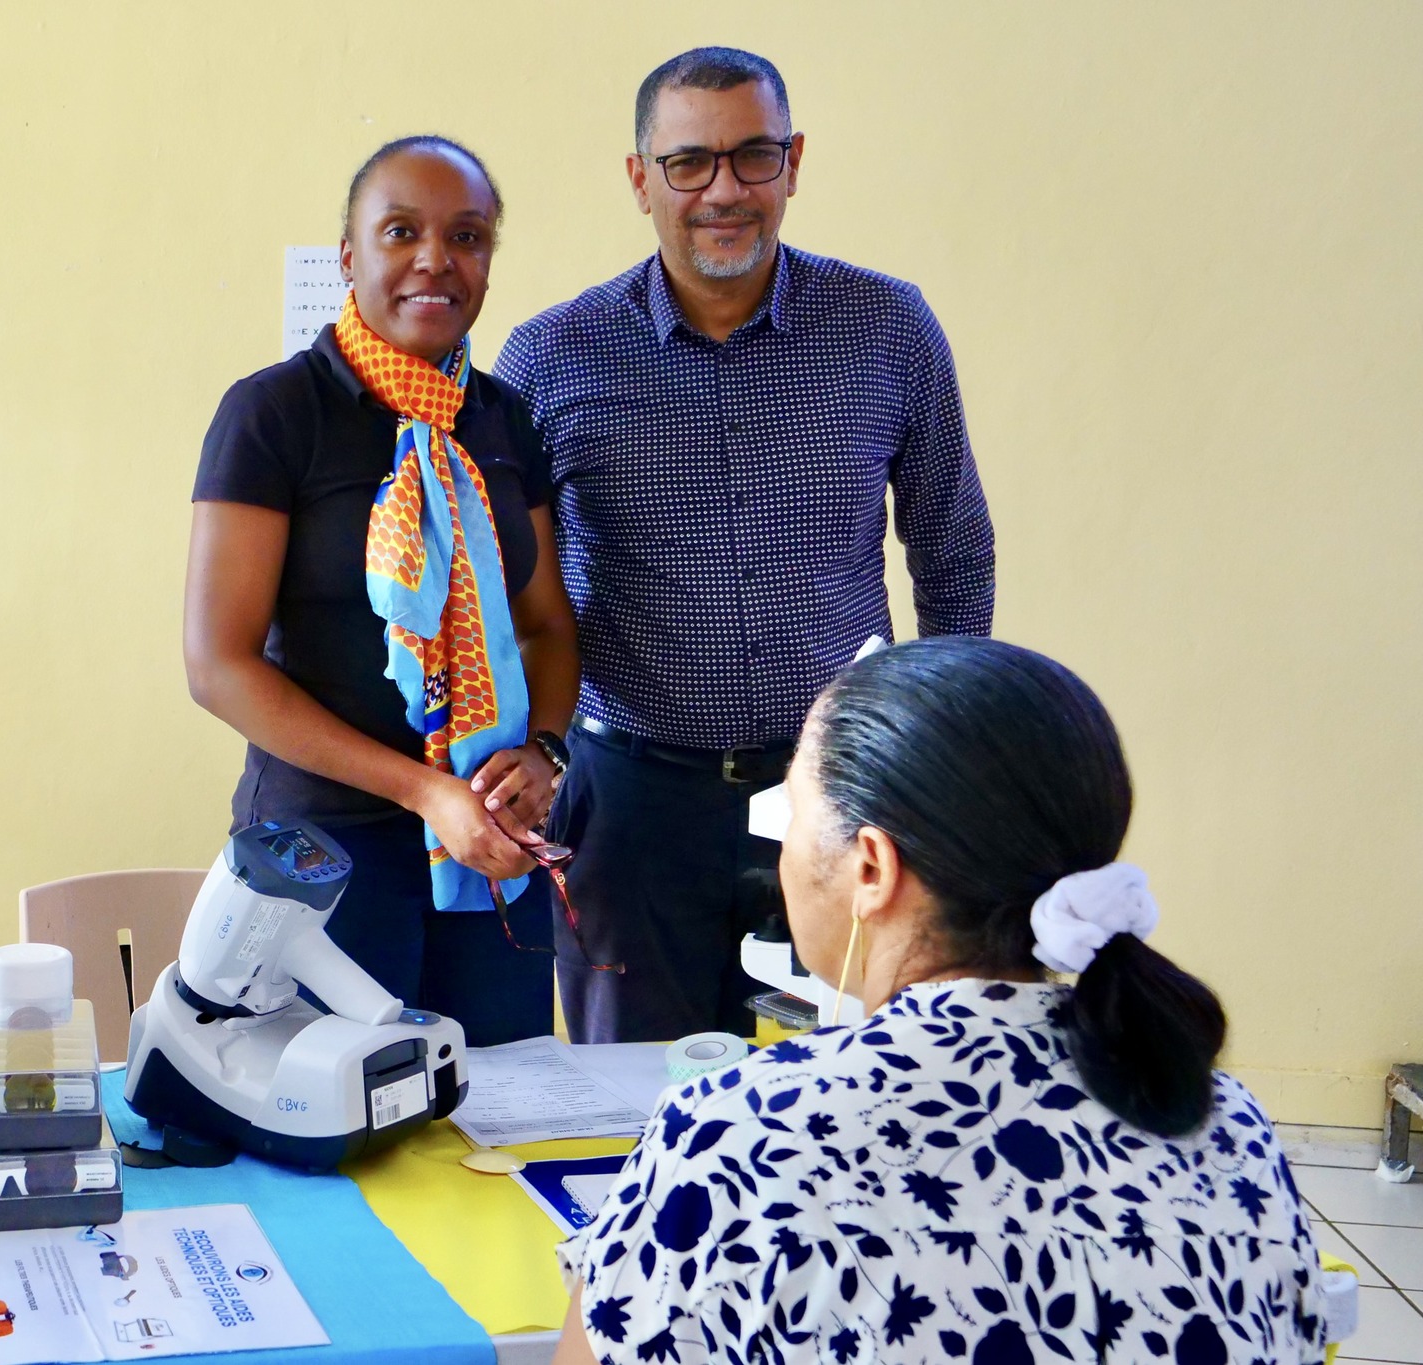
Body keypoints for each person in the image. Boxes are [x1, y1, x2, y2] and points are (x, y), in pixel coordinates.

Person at [550, 637, 1327, 1364]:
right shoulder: (1225, 1120)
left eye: (794, 814)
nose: (781, 849)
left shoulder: (737, 1136)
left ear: (872, 867)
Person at [495, 47, 996, 1044]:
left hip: (841, 799)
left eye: (752, 156)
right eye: (688, 162)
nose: (723, 190)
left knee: (848, 1092)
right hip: (631, 810)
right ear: (640, 179)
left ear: (792, 163)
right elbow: (508, 599)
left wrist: (942, 756)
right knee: (634, 1105)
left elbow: (952, 549)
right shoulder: (550, 358)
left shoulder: (887, 328)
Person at [185, 136, 581, 1046]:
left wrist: (545, 755)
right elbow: (218, 666)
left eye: (467, 236)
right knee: (338, 1109)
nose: (435, 259)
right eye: (401, 231)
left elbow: (548, 627)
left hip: (490, 848)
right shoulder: (274, 414)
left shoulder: (502, 418)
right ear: (348, 256)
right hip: (322, 859)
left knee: (499, 1099)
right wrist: (424, 793)